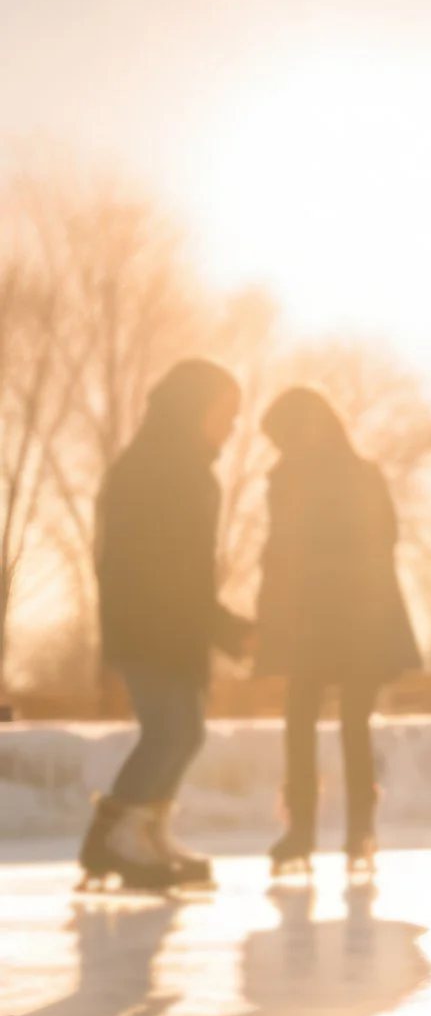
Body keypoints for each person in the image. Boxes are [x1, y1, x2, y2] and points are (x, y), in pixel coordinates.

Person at [78, 359, 253, 893]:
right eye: (225, 412)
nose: (232, 425)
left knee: (187, 731)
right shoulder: (149, 468)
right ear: (192, 407)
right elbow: (156, 566)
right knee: (168, 731)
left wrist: (217, 626)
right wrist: (223, 628)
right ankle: (112, 838)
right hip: (148, 625)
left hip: (178, 626)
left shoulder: (196, 474)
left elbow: (192, 571)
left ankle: (147, 832)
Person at [255, 388, 423, 876]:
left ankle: (348, 830)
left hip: (349, 619)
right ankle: (319, 831)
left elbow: (381, 539)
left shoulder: (347, 477)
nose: (279, 449)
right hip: (322, 619)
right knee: (315, 722)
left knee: (338, 722)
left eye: (281, 438)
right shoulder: (300, 478)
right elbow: (278, 551)